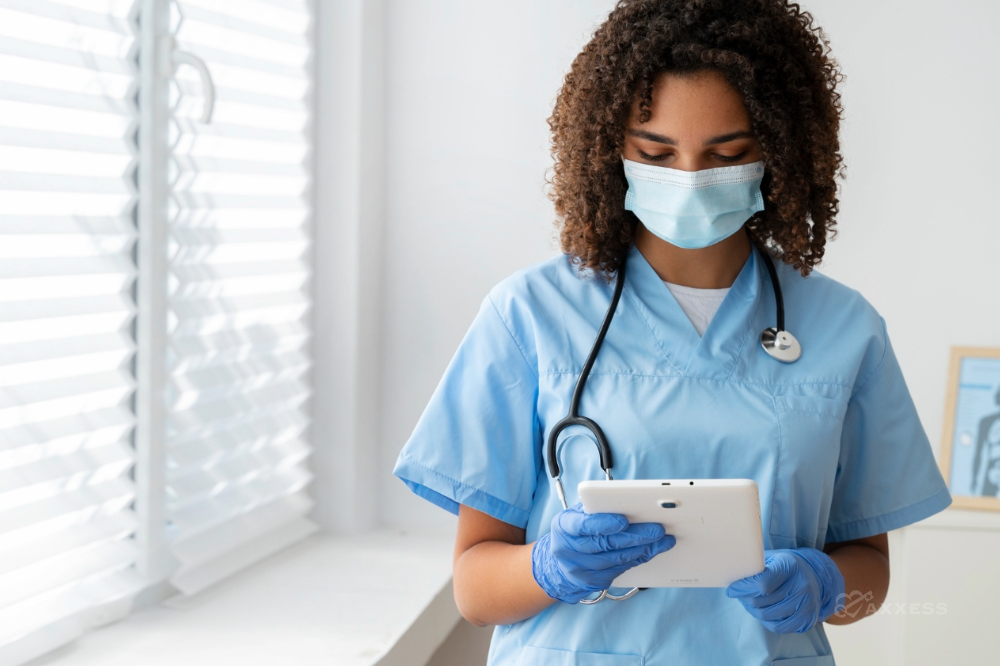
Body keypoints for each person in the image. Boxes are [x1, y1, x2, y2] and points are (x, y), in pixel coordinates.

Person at [393, 1, 953, 663]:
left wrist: (825, 585)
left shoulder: (844, 329)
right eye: (655, 153)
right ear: (610, 151)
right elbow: (474, 591)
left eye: (727, 153)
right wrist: (547, 567)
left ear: (778, 149)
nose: (689, 180)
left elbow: (872, 581)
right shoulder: (529, 316)